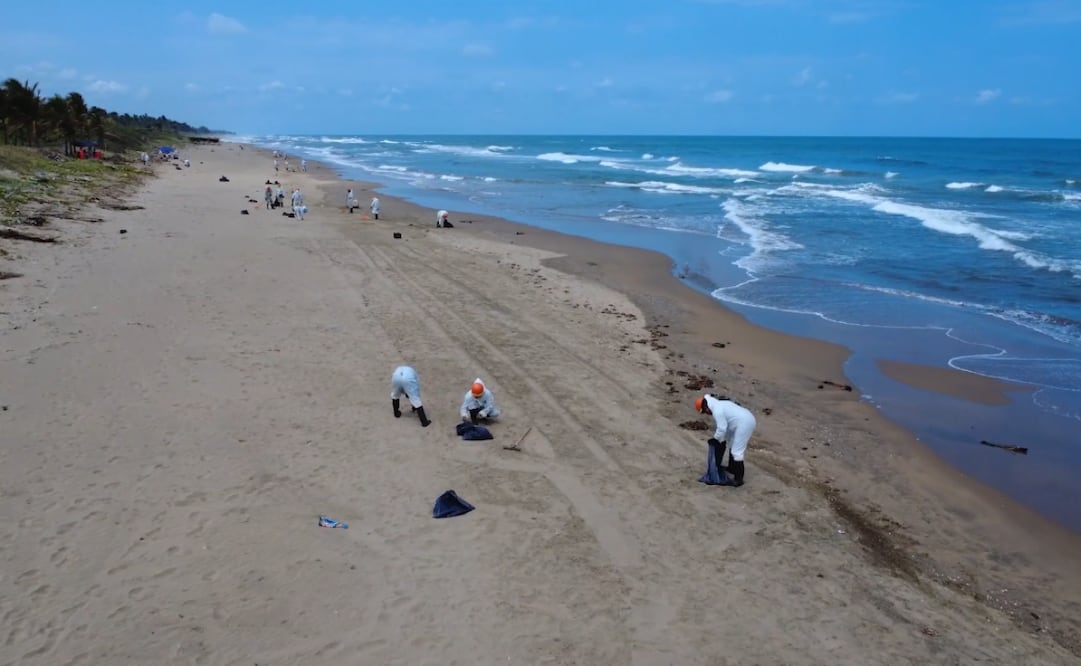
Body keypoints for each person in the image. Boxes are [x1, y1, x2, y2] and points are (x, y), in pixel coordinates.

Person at [695, 394, 756, 487]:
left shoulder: (717, 410)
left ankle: (738, 480)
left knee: (737, 451)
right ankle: (732, 468)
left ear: (706, 407)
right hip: (742, 420)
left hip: (745, 423)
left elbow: (722, 428)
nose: (707, 414)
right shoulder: (719, 404)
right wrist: (720, 439)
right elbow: (725, 429)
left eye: (704, 412)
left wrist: (716, 439)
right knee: (732, 444)